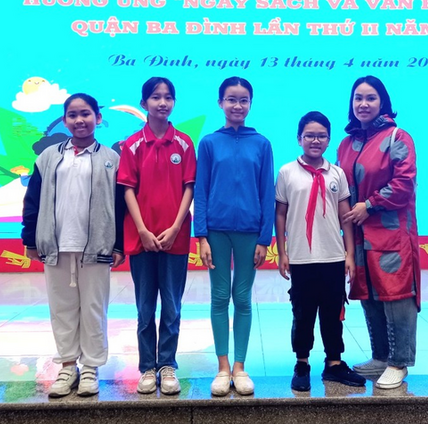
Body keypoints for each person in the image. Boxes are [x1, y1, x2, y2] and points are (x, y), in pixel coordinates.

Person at [22, 93, 125, 398]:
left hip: (97, 247)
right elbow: (32, 199)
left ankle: (91, 367)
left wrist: (118, 245)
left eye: (86, 114)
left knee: (93, 308)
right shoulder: (48, 157)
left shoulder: (111, 158)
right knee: (62, 308)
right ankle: (68, 367)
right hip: (55, 245)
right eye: (73, 115)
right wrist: (30, 238)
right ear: (65, 120)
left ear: (98, 118)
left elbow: (120, 206)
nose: (80, 120)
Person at [337, 75, 420, 390]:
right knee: (368, 293)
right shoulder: (347, 144)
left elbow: (404, 184)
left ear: (382, 102)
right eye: (358, 98)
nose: (363, 104)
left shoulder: (398, 137)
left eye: (370, 98)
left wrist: (369, 205)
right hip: (358, 234)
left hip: (391, 234)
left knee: (396, 295)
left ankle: (399, 362)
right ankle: (381, 357)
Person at [194, 76, 275, 396]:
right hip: (216, 231)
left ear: (250, 104)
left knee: (242, 298)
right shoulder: (209, 143)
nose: (237, 105)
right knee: (219, 297)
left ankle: (240, 367)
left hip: (250, 233)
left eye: (243, 100)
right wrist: (201, 236)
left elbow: (267, 193)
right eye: (231, 99)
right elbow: (201, 191)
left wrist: (264, 238)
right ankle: (222, 367)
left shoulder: (262, 144)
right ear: (220, 103)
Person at [275, 111, 366, 392]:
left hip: (333, 257)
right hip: (301, 257)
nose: (315, 140)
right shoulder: (287, 172)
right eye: (309, 135)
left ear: (328, 140)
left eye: (321, 136)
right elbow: (280, 214)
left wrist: (349, 254)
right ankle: (302, 364)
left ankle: (334, 363)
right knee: (302, 313)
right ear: (299, 138)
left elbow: (345, 218)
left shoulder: (336, 173)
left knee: (333, 313)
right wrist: (282, 252)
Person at [117, 77, 196, 395]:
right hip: (142, 240)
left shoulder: (185, 143)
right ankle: (147, 367)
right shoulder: (132, 144)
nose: (162, 103)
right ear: (144, 103)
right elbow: (127, 189)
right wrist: (142, 230)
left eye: (168, 97)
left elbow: (189, 187)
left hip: (175, 238)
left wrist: (176, 227)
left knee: (173, 307)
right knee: (145, 307)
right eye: (155, 97)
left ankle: (167, 365)